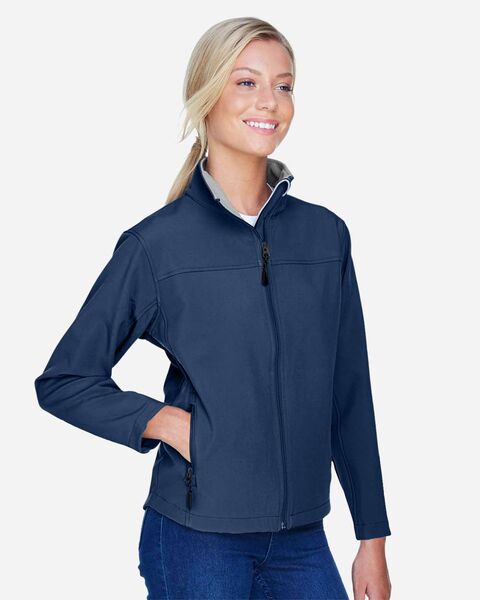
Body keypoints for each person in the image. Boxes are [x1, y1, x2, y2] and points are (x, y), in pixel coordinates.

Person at [34, 16, 392, 600]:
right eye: (246, 82)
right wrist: (163, 422)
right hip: (197, 538)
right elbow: (65, 380)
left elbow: (349, 391)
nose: (270, 101)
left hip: (303, 539)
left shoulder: (326, 236)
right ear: (206, 96)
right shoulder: (157, 246)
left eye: (284, 85)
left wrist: (371, 536)